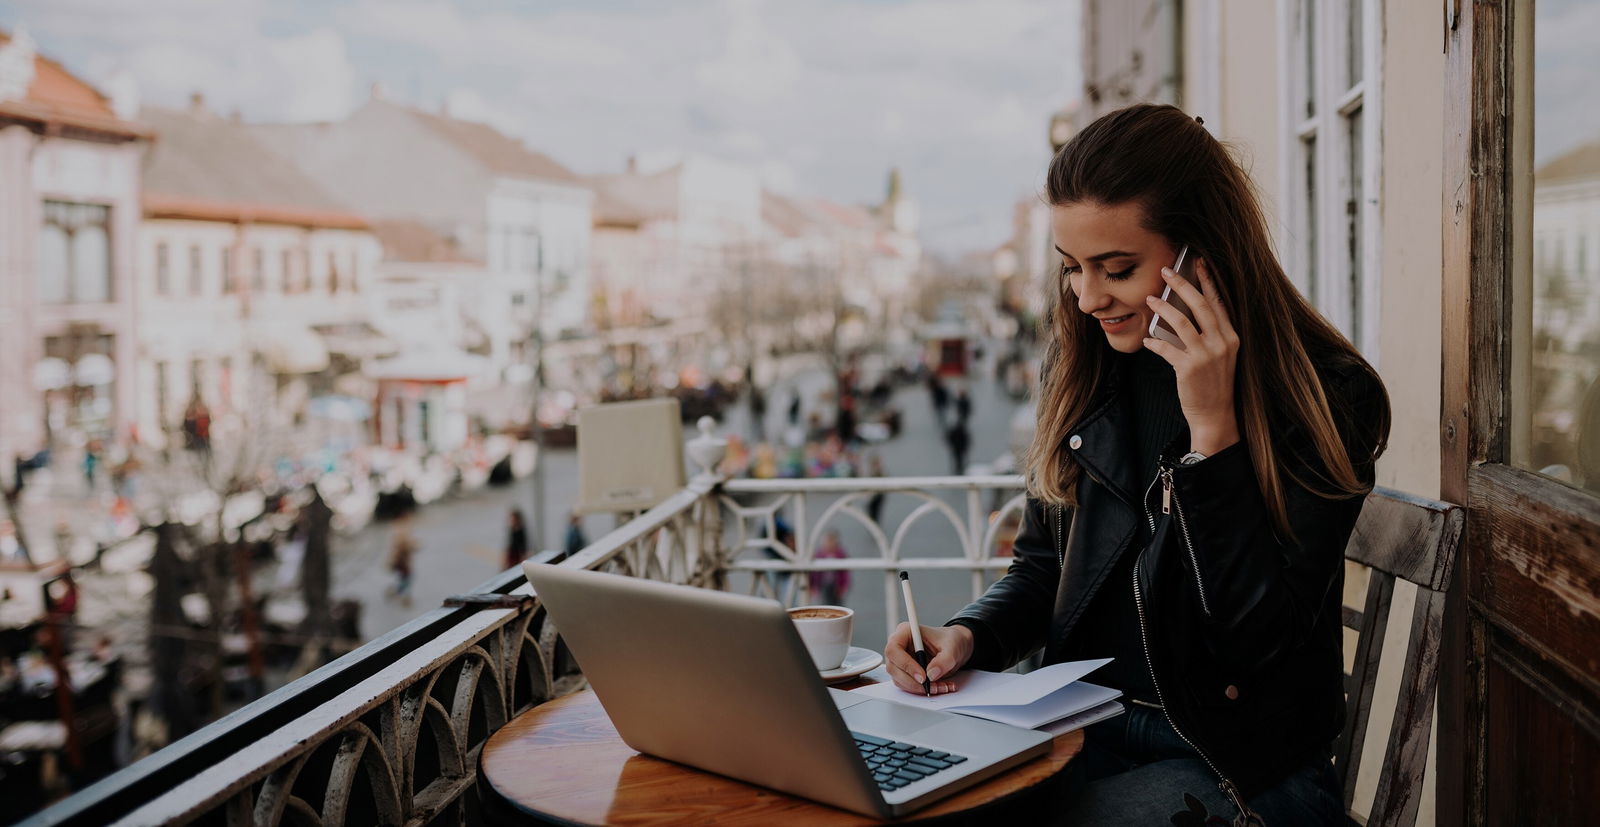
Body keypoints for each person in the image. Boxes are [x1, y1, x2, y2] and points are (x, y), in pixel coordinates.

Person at [882, 104, 1390, 826]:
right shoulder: (1084, 369)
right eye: (1072, 268)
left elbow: (1257, 642)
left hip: (1238, 769)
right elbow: (1043, 569)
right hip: (1075, 736)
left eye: (1116, 269)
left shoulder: (1325, 393)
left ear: (1201, 254)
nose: (1089, 298)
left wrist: (1213, 437)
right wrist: (967, 636)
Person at [808, 530, 850, 605]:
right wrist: (812, 586)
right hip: (823, 584)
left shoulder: (840, 554)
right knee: (824, 602)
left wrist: (843, 586)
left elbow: (845, 572)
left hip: (836, 584)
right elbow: (813, 573)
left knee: (838, 603)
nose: (829, 544)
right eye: (827, 542)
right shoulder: (819, 555)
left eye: (831, 542)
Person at [388, 513, 417, 606]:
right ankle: (401, 595)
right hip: (402, 560)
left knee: (405, 578)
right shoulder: (401, 530)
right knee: (407, 578)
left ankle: (398, 593)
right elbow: (403, 545)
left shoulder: (400, 529)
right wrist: (414, 546)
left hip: (403, 560)